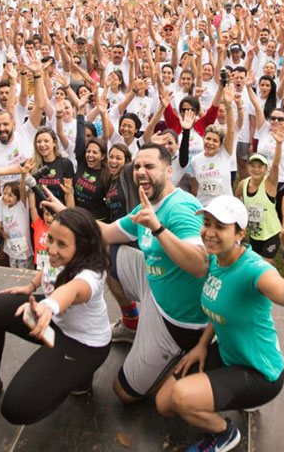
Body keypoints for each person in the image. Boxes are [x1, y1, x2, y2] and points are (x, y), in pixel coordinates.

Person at [155, 195, 284, 452]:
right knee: (163, 403)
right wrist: (202, 345)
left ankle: (224, 433)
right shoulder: (214, 260)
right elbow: (218, 311)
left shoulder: (254, 270)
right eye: (207, 223)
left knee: (181, 397)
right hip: (227, 355)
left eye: (220, 227)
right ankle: (232, 396)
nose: (209, 233)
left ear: (240, 233)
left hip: (259, 371)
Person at [0, 207, 111, 426]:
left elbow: (73, 290)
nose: (52, 249)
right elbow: (47, 269)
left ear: (82, 247)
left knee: (15, 408)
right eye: (51, 239)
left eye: (62, 244)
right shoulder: (58, 256)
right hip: (51, 324)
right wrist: (31, 286)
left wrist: (49, 305)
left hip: (83, 345)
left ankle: (74, 376)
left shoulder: (91, 274)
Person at [91, 143, 209, 404]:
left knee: (123, 393)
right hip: (154, 284)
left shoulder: (180, 207)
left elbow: (201, 265)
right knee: (106, 251)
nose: (140, 172)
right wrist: (68, 215)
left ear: (169, 172)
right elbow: (108, 233)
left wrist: (157, 228)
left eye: (149, 166)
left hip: (176, 321)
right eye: (138, 167)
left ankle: (184, 363)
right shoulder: (148, 204)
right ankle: (131, 323)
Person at [233, 126, 284, 263]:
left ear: (265, 169)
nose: (256, 169)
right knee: (255, 264)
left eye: (260, 166)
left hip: (271, 233)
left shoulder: (269, 184)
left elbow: (275, 165)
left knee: (264, 266)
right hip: (254, 234)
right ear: (247, 167)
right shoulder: (243, 184)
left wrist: (279, 144)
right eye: (252, 166)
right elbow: (237, 196)